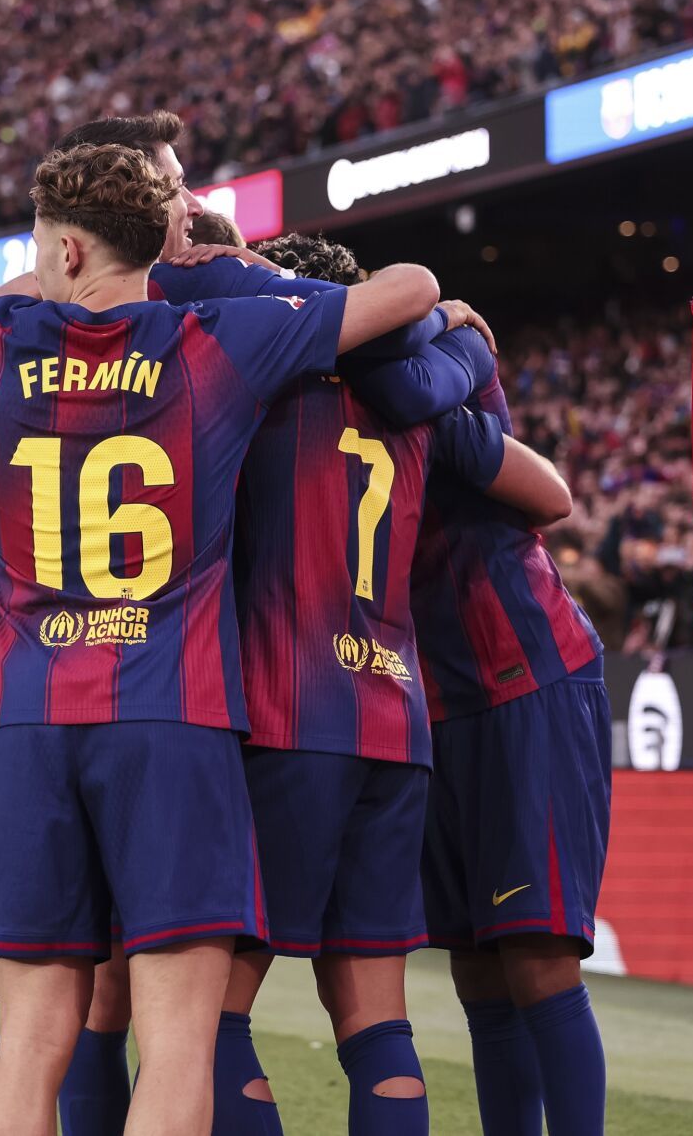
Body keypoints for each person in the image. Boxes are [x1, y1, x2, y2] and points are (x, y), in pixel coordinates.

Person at [0, 141, 440, 1136]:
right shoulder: (217, 340)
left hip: (26, 713)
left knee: (27, 1030)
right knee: (182, 1037)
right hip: (173, 713)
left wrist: (25, 285)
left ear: (64, 253)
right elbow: (410, 286)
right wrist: (239, 271)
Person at [210, 234, 548, 1136]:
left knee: (205, 1013)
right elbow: (549, 492)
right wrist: (463, 339)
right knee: (374, 1018)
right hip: (395, 725)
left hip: (286, 713)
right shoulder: (418, 407)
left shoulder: (256, 383)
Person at [353, 324, 610, 1136]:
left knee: (536, 958)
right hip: (439, 702)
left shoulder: (433, 374)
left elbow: (554, 495)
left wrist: (437, 322)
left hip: (526, 680)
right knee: (476, 967)